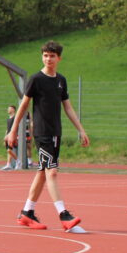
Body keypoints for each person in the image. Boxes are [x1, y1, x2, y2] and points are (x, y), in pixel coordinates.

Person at [6, 40, 89, 231]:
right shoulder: (36, 79)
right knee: (52, 171)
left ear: (59, 58)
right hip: (42, 133)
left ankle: (27, 212)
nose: (48, 59)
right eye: (45, 55)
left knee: (43, 172)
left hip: (55, 133)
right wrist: (13, 130)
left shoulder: (61, 80)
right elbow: (24, 105)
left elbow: (67, 107)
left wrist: (80, 129)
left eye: (52, 56)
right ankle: (63, 214)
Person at [1, 104, 18, 170]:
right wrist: (5, 135)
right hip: (8, 136)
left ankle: (18, 161)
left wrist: (14, 136)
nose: (8, 110)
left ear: (13, 110)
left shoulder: (15, 118)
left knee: (9, 150)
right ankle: (8, 164)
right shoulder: (9, 118)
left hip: (12, 136)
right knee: (8, 150)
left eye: (9, 108)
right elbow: (7, 128)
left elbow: (15, 128)